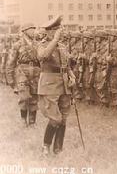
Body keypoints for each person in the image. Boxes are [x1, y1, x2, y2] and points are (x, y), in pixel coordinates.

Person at [36, 16, 76, 155]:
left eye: (61, 28)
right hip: (50, 84)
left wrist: (71, 75)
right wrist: (54, 40)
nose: (61, 31)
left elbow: (66, 64)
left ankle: (58, 149)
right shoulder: (43, 44)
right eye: (58, 29)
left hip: (64, 84)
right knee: (55, 118)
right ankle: (45, 146)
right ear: (50, 32)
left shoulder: (62, 46)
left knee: (63, 118)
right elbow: (43, 56)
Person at [6, 23, 41, 126]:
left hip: (35, 72)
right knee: (24, 97)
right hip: (22, 72)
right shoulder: (17, 45)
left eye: (34, 29)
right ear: (25, 31)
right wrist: (10, 79)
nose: (34, 31)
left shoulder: (37, 44)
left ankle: (32, 122)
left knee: (34, 97)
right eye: (31, 29)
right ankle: (23, 120)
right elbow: (11, 62)